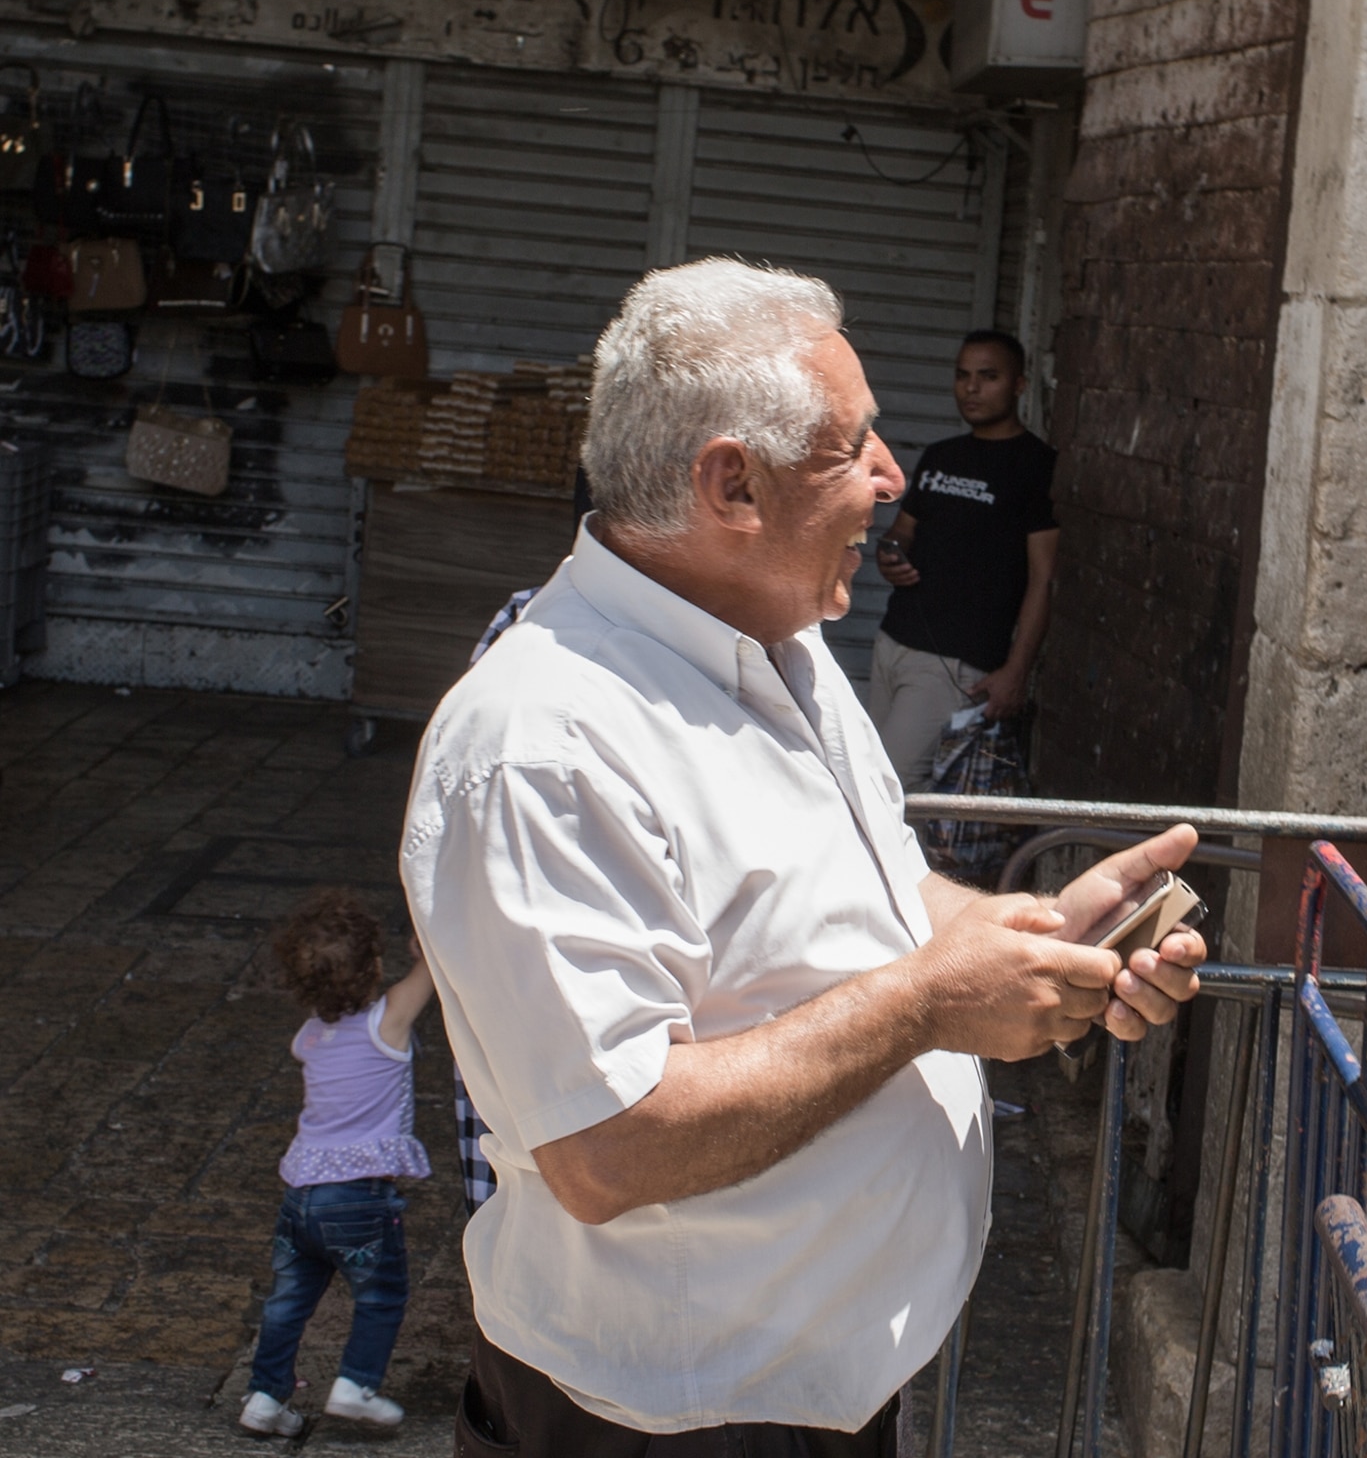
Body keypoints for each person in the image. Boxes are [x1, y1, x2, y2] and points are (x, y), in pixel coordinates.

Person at [404, 258, 1204, 1454]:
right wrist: (932, 1003)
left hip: (807, 1387)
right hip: (672, 1416)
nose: (891, 475)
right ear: (731, 483)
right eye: (853, 445)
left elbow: (865, 880)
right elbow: (609, 1142)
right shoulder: (540, 746)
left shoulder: (777, 641)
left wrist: (1016, 936)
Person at [238, 888, 438, 1438]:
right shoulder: (387, 1024)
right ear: (374, 967)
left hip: (300, 1199)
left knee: (287, 1304)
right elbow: (437, 970)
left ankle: (264, 1396)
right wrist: (426, 944)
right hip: (358, 1199)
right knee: (381, 1295)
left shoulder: (310, 1037)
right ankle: (356, 1385)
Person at [869, 327, 1060, 785]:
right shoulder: (941, 456)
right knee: (868, 777)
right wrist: (890, 555)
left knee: (891, 788)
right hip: (892, 644)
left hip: (954, 664)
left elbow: (1044, 577)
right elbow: (900, 533)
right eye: (963, 375)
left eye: (988, 376)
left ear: (1018, 384)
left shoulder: (1036, 466)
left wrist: (1016, 671)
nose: (971, 388)